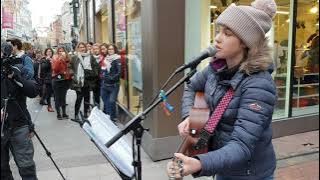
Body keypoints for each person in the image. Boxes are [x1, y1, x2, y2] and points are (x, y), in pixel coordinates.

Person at [167, 0, 278, 180]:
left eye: (227, 33)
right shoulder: (216, 68)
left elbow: (241, 146)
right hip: (222, 165)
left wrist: (199, 163)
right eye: (219, 31)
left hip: (250, 174)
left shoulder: (259, 84)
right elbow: (192, 86)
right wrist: (189, 115)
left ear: (245, 42)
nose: (218, 38)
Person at [1, 42, 39, 180]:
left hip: (19, 127)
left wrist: (15, 76)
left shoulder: (18, 69)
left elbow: (33, 91)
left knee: (27, 169)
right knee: (2, 171)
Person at [70, 42, 99, 119]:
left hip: (87, 81)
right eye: (80, 47)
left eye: (83, 47)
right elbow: (70, 67)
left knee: (87, 98)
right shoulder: (74, 57)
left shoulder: (90, 57)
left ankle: (86, 113)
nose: (82, 48)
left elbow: (96, 68)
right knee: (79, 98)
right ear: (78, 48)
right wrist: (73, 75)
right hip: (78, 82)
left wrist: (91, 74)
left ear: (85, 48)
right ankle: (76, 114)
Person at [99, 43, 121, 122]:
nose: (110, 50)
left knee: (112, 101)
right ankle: (109, 117)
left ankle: (112, 117)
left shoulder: (117, 59)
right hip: (104, 85)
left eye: (112, 49)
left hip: (113, 85)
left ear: (115, 50)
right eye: (109, 49)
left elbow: (119, 72)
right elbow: (102, 70)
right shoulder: (106, 59)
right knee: (105, 100)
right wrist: (102, 75)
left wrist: (111, 78)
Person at [51, 47, 73, 120]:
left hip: (65, 80)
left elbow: (70, 68)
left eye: (62, 51)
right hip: (56, 81)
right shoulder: (55, 58)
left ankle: (64, 113)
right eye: (59, 51)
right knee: (57, 97)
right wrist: (59, 59)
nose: (61, 52)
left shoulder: (68, 59)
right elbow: (55, 69)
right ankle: (58, 114)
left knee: (63, 97)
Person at [41, 48, 55, 112]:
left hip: (55, 78)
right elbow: (43, 68)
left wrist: (52, 61)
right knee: (48, 93)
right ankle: (49, 106)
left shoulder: (54, 58)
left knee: (55, 93)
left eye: (50, 51)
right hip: (48, 79)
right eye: (48, 51)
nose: (49, 52)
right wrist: (47, 60)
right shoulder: (43, 59)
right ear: (46, 53)